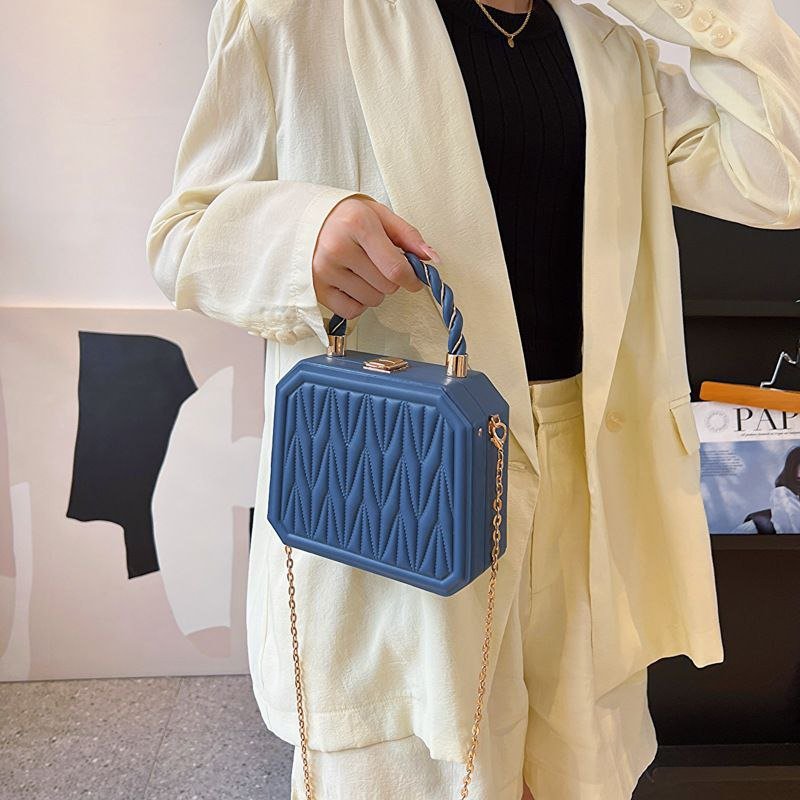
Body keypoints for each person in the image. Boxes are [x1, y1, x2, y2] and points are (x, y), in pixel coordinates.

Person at [144, 0, 800, 797]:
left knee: (577, 771)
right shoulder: (300, 16)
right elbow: (184, 234)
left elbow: (780, 173)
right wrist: (304, 235)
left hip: (588, 468)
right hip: (410, 464)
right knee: (417, 768)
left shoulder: (607, 48)